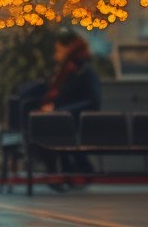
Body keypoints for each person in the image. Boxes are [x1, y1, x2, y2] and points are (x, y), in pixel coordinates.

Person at [38, 30, 101, 190]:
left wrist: (60, 110)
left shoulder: (84, 72)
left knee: (58, 134)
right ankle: (66, 171)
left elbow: (92, 100)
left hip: (78, 118)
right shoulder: (69, 71)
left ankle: (64, 172)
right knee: (54, 132)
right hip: (69, 116)